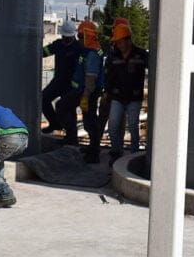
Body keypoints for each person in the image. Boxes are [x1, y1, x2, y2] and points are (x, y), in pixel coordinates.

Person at [104, 22, 150, 165]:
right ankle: (116, 152)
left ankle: (134, 156)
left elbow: (155, 69)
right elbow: (109, 76)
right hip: (117, 97)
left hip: (134, 98)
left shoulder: (141, 55)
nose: (118, 45)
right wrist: (107, 93)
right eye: (117, 43)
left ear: (128, 39)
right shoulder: (113, 56)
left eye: (120, 42)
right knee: (112, 126)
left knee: (133, 127)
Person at [41, 20, 81, 136]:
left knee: (69, 110)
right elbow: (45, 52)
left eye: (68, 37)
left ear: (73, 35)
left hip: (71, 84)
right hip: (58, 81)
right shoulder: (58, 44)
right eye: (64, 36)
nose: (66, 39)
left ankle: (71, 137)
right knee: (43, 99)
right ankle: (54, 123)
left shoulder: (78, 48)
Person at [75, 19, 105, 163]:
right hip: (90, 91)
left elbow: (91, 78)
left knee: (90, 122)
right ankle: (93, 149)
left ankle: (94, 153)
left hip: (90, 92)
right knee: (90, 121)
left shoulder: (92, 54)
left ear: (88, 36)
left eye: (80, 36)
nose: (78, 39)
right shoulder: (90, 50)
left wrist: (86, 96)